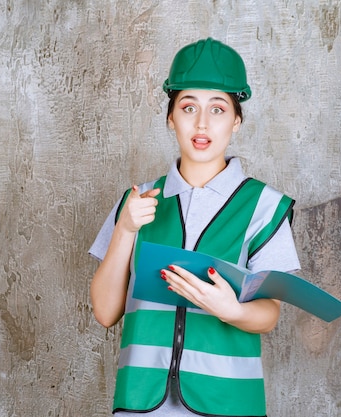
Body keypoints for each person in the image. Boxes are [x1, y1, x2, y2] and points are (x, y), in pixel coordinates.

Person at [89, 38, 301, 417]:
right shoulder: (136, 201)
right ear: (171, 117)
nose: (202, 123)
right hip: (141, 403)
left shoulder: (264, 208)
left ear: (236, 120)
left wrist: (230, 309)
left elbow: (269, 313)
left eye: (217, 109)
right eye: (188, 107)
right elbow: (105, 312)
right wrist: (124, 230)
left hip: (228, 403)